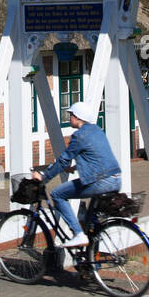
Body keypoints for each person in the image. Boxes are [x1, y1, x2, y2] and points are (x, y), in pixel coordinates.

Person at [31, 100, 121, 248]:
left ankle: (78, 234)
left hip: (100, 182)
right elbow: (96, 157)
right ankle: (91, 264)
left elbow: (62, 161)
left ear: (78, 117)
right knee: (91, 225)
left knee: (57, 194)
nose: (69, 117)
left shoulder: (79, 136)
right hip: (115, 180)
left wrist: (43, 177)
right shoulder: (97, 130)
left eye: (71, 114)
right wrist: (74, 168)